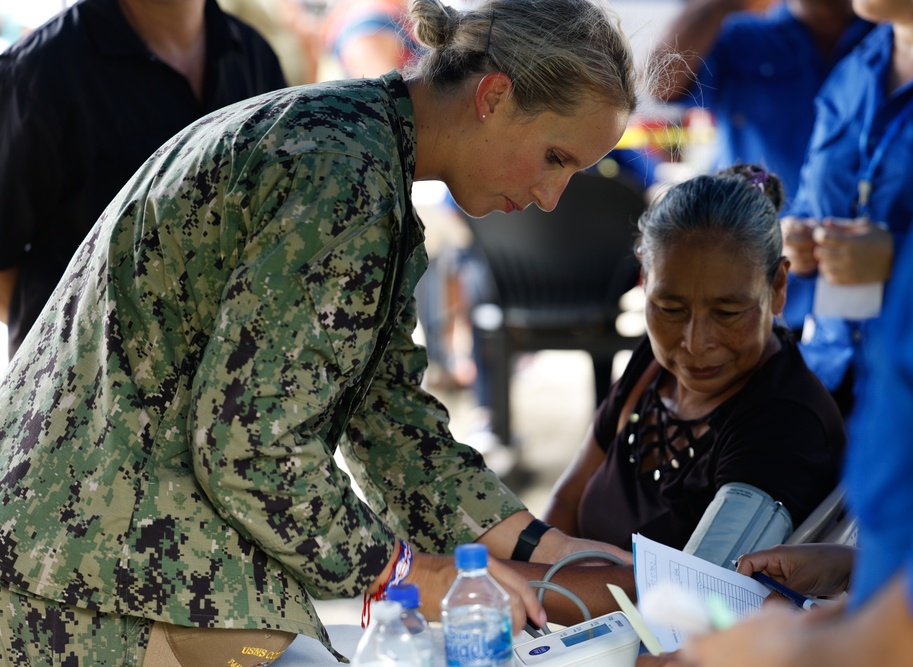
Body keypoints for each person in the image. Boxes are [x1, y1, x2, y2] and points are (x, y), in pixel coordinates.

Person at [0, 0, 641, 662]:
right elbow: (253, 452)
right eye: (556, 157)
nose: (550, 197)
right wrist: (408, 573)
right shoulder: (344, 175)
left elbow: (386, 417)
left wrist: (541, 543)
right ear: (495, 96)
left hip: (99, 544)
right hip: (89, 569)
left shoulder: (361, 150)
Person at [638, 1, 913, 664]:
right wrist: (847, 571)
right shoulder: (860, 71)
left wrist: (793, 654)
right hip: (843, 372)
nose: (695, 337)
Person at [542, 164, 846, 564]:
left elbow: (696, 590)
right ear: (645, 279)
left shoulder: (785, 422)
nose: (694, 343)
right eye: (670, 308)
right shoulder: (653, 365)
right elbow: (565, 502)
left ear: (777, 288)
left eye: (727, 312)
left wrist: (538, 589)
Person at [0, 0, 288, 361]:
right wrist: (82, 340)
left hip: (220, 389)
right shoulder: (39, 71)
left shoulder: (253, 55)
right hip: (85, 396)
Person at [780, 0, 913, 418]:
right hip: (827, 372)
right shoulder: (856, 67)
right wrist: (793, 237)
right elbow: (813, 196)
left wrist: (900, 257)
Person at [653, 0, 873, 204]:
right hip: (749, 235)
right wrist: (719, 5)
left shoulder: (885, 38)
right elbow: (659, 86)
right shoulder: (741, 36)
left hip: (863, 237)